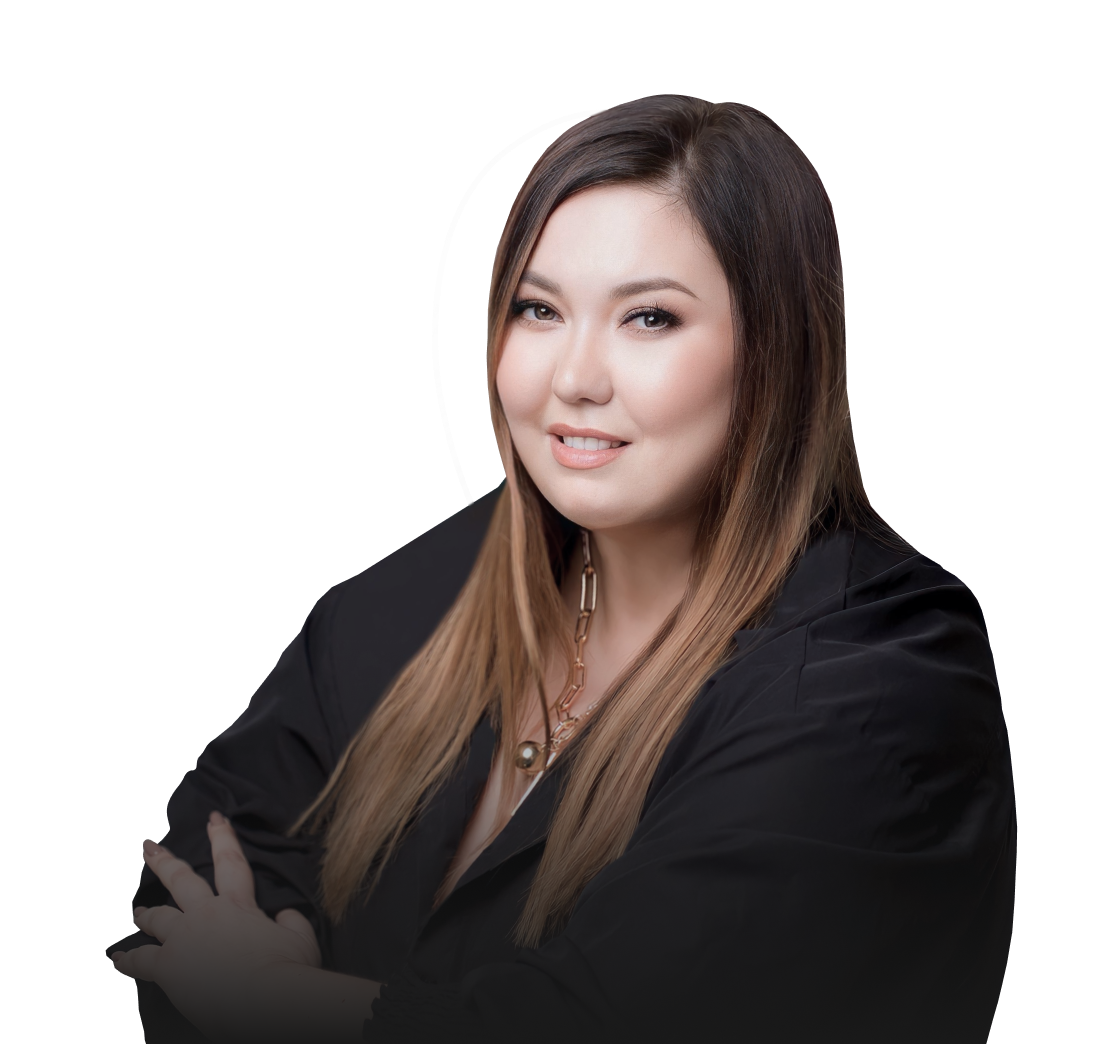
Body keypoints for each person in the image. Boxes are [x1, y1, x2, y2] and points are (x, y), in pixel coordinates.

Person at [106, 95, 1016, 1043]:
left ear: (776, 349)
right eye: (538, 310)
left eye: (650, 318)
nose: (573, 378)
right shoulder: (438, 588)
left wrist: (276, 1002)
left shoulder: (880, 678)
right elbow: (197, 886)